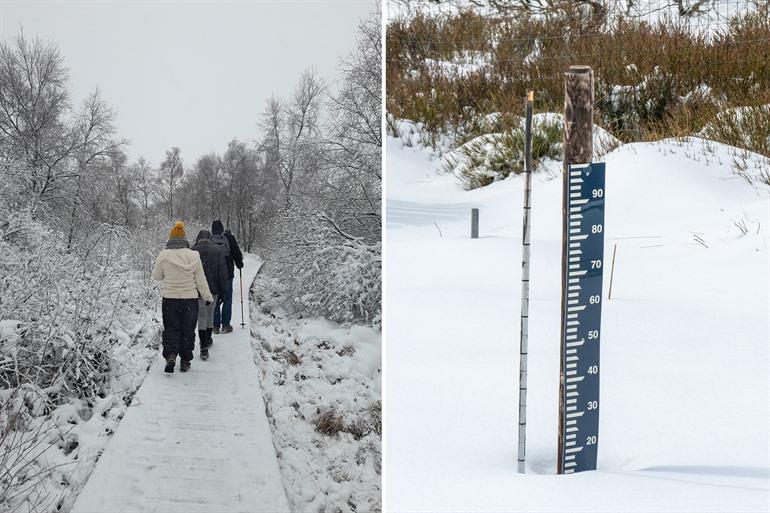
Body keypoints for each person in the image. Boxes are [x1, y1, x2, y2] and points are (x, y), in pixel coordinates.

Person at [151, 221, 213, 373]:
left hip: (170, 300)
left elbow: (157, 276)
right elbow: (201, 279)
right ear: (184, 238)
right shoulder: (193, 255)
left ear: (171, 239)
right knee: (188, 330)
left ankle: (171, 355)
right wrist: (207, 297)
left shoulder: (163, 255)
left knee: (171, 328)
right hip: (190, 300)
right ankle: (185, 360)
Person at [192, 229, 227, 359]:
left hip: (198, 289)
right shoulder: (217, 250)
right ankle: (208, 338)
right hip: (213, 288)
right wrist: (223, 290)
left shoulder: (192, 250)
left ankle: (203, 346)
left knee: (201, 315)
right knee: (210, 313)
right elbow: (222, 271)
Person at [210, 220, 244, 333]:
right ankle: (225, 325)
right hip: (228, 274)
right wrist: (239, 264)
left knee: (215, 298)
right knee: (227, 298)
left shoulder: (209, 240)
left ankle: (215, 326)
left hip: (214, 275)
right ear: (222, 228)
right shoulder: (229, 238)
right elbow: (237, 253)